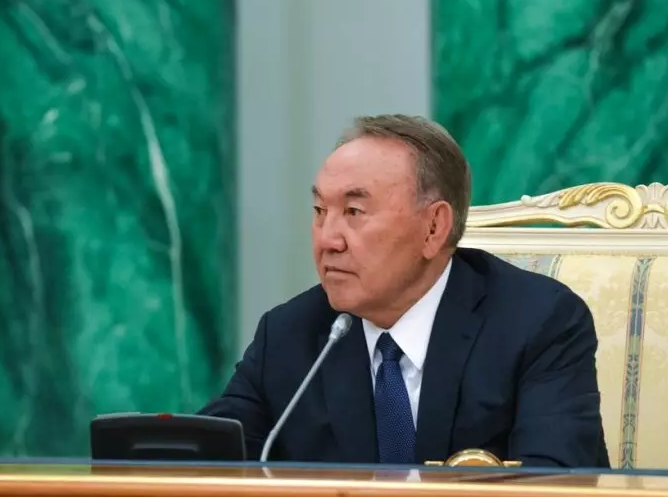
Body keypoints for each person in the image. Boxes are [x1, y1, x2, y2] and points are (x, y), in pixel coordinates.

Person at [201, 114, 609, 468]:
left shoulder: (538, 323)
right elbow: (206, 459)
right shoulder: (290, 335)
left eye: (354, 212)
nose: (327, 240)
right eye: (320, 211)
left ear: (433, 228)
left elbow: (554, 491)